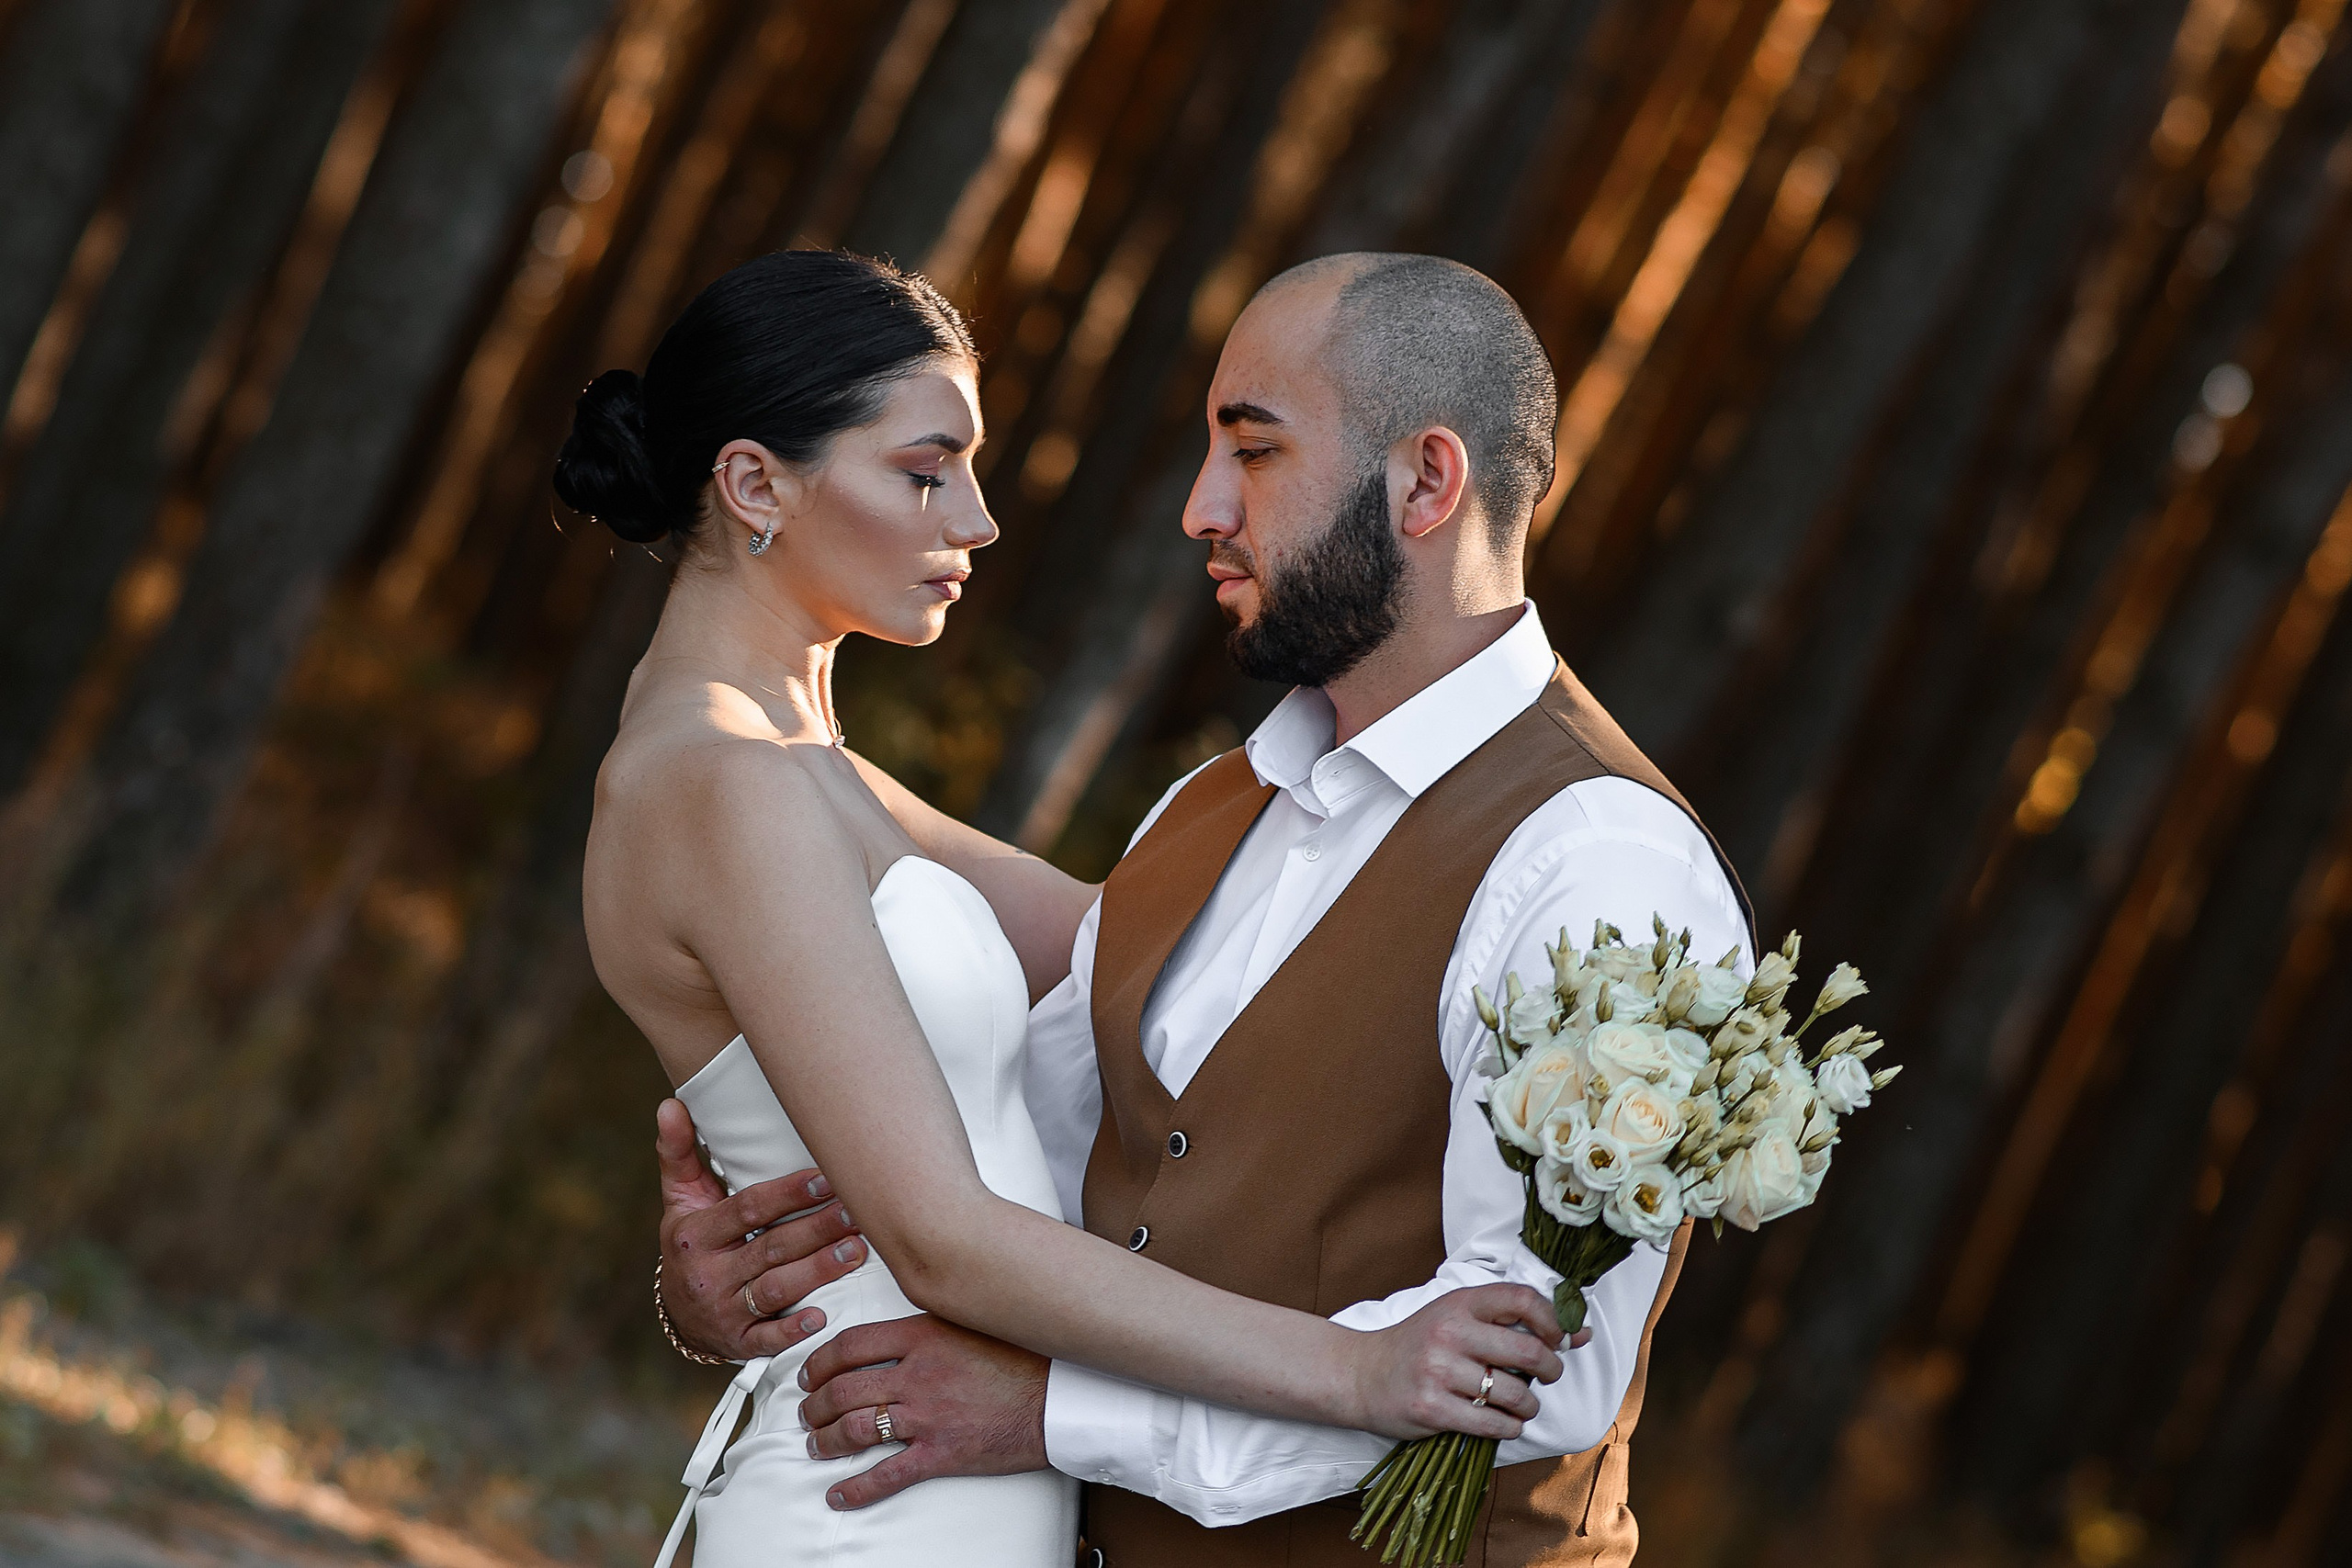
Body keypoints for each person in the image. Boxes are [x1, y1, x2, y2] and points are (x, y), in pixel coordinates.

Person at [654, 252, 1758, 1568]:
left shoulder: (1603, 862)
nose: (1201, 506)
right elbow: (1041, 1178)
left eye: (1255, 452)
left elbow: (1528, 1381)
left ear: (1426, 481)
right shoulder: (1203, 816)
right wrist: (746, 1284)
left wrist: (1068, 1420)